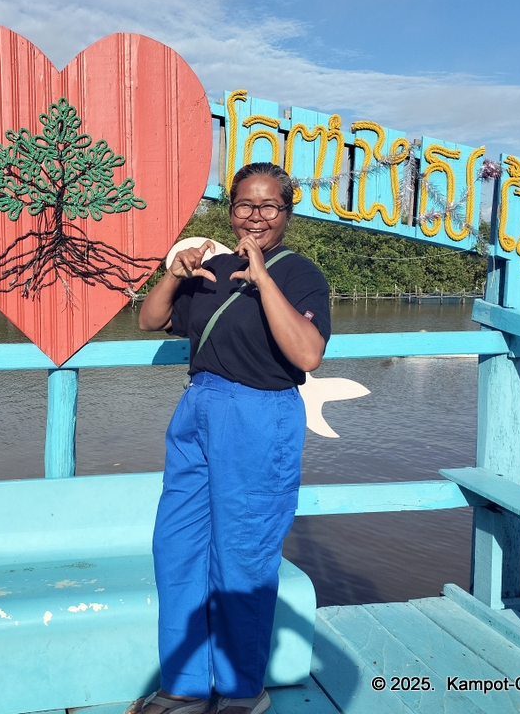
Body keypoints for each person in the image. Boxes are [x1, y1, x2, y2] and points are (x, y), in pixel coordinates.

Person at [133, 163, 331, 714]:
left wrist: (263, 279)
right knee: (177, 545)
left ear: (287, 213)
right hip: (198, 407)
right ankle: (185, 685)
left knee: (242, 553)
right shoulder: (211, 267)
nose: (257, 216)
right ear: (231, 209)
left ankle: (243, 689)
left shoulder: (299, 274)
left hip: (259, 413)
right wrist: (175, 272)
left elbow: (308, 355)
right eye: (246, 204)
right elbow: (150, 321)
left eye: (270, 206)